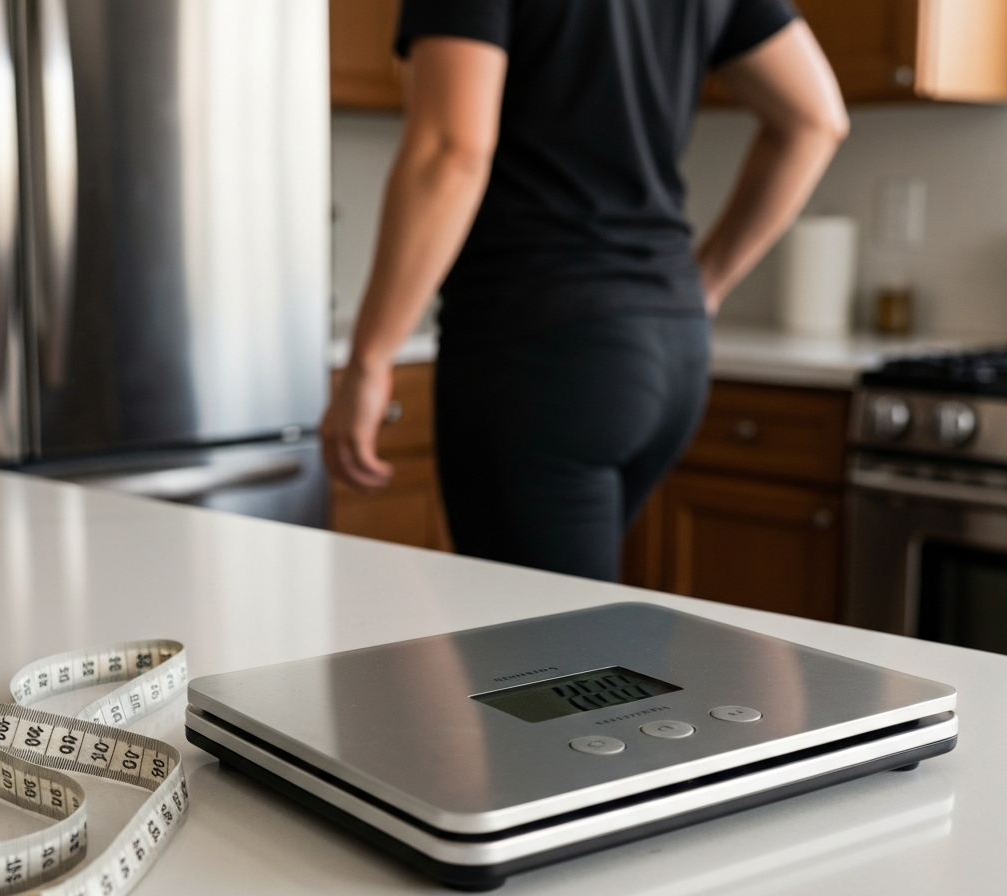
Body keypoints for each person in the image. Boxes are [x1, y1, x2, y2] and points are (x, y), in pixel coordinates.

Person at [322, 0, 848, 582]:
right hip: (669, 344)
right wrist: (707, 282)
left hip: (541, 355)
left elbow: (453, 151)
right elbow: (816, 119)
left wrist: (371, 359)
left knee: (539, 651)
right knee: (569, 632)